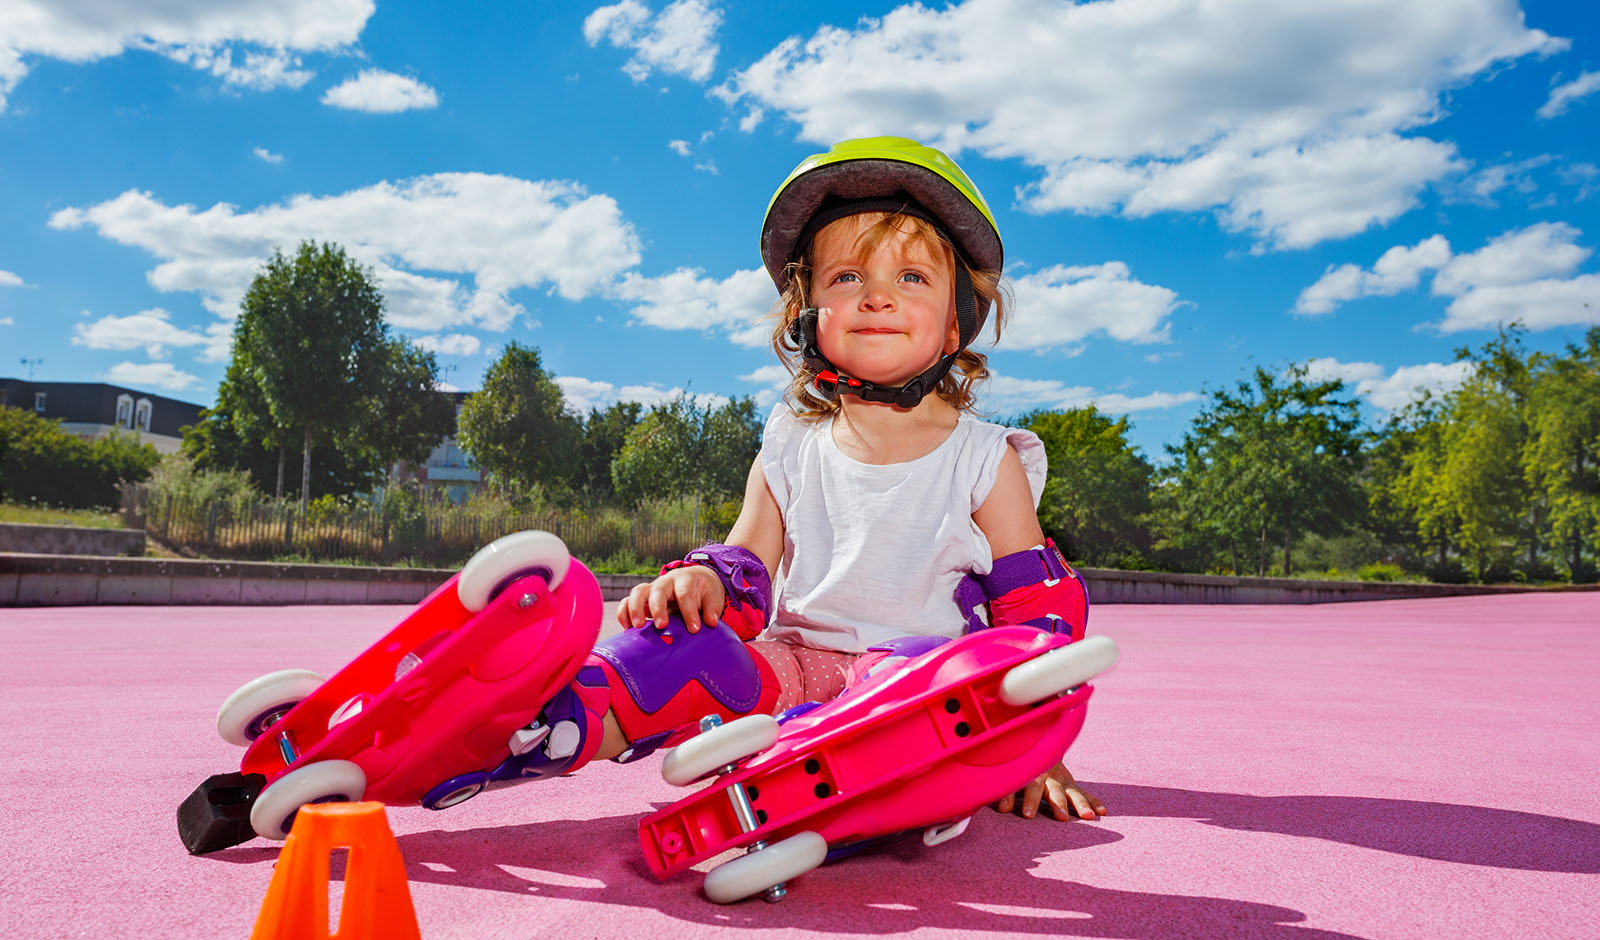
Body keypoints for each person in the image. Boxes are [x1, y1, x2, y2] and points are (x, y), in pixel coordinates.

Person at [516, 137, 1106, 824]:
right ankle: (544, 726)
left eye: (912, 278)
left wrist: (1037, 743)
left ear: (954, 326)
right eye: (848, 278)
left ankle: (822, 766)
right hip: (794, 671)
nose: (878, 296)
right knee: (678, 652)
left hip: (917, 686)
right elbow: (745, 570)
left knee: (918, 683)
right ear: (807, 316)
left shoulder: (985, 458)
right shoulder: (790, 446)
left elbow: (1036, 614)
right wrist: (702, 585)